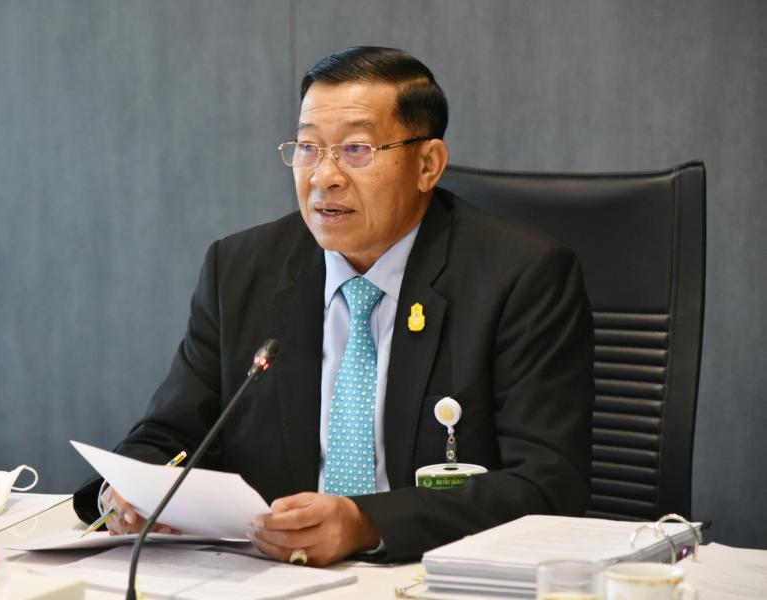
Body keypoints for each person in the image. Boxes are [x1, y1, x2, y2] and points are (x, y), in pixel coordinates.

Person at [73, 46, 594, 566]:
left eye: (356, 149)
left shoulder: (519, 277)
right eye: (308, 148)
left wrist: (368, 523)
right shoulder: (238, 270)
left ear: (428, 165)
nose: (324, 176)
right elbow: (168, 437)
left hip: (431, 576)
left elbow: (548, 484)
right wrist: (122, 495)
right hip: (269, 576)